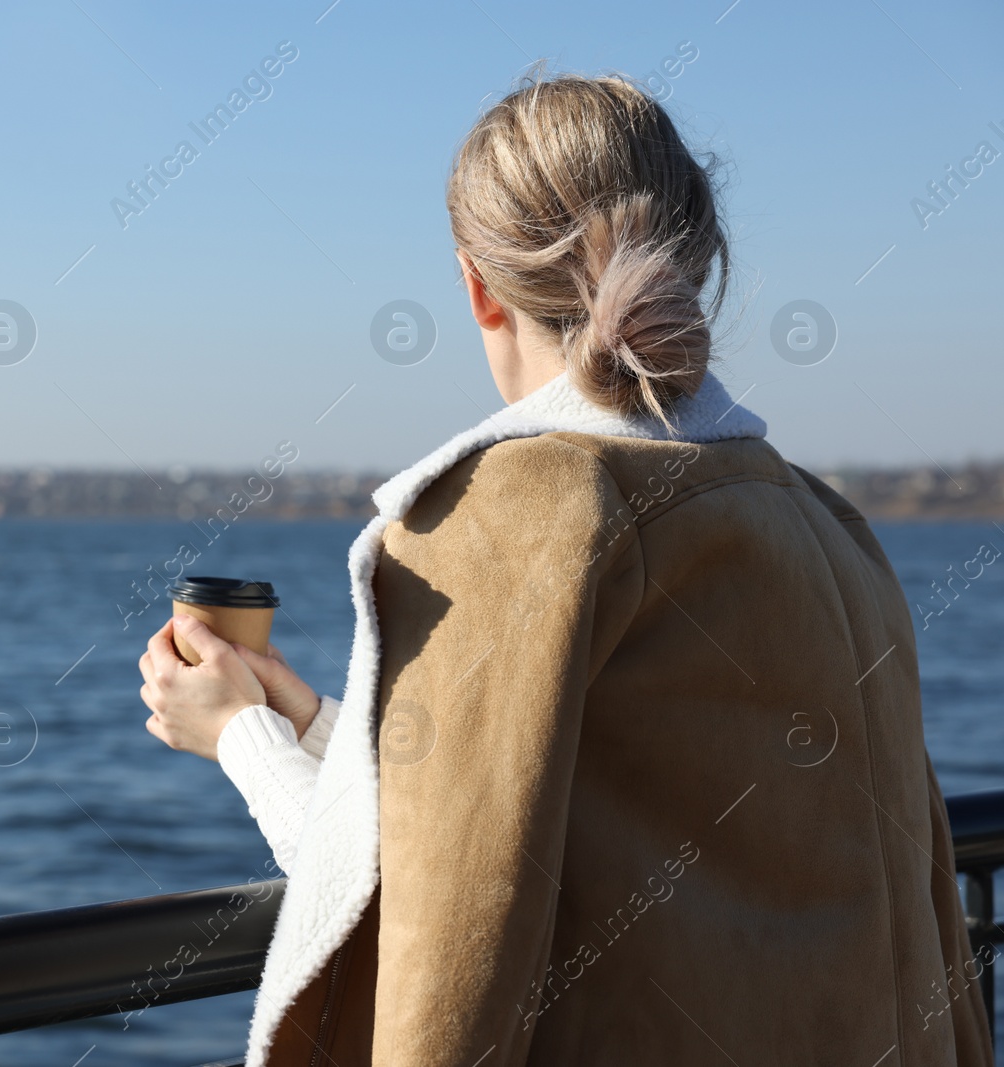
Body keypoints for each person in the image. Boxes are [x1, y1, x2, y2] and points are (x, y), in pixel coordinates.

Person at [136, 71, 990, 1066]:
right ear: (697, 256)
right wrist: (323, 731)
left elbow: (442, 927)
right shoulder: (824, 525)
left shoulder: (522, 511)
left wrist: (241, 735)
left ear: (477, 287)